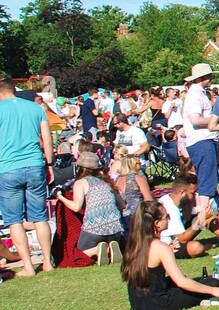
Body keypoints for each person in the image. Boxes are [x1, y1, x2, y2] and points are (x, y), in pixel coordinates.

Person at [121, 201, 219, 310]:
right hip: (157, 303)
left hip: (137, 302)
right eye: (166, 217)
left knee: (191, 282)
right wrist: (213, 290)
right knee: (212, 282)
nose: (169, 219)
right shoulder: (161, 247)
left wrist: (169, 249)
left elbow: (150, 267)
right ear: (157, 223)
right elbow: (181, 281)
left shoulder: (134, 244)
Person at [0, 76, 56, 275]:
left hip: (7, 168)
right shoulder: (35, 108)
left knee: (14, 220)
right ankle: (47, 262)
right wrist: (49, 163)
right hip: (34, 165)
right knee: (40, 216)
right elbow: (47, 138)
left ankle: (28, 266)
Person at [55, 151, 126, 263]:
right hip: (116, 229)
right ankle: (111, 247)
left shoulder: (81, 183)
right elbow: (122, 205)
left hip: (94, 230)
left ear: (79, 168)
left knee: (77, 253)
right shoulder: (107, 181)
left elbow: (76, 207)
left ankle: (99, 250)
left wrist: (61, 197)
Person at [181, 63, 219, 221]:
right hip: (201, 141)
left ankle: (211, 213)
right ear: (202, 78)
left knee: (208, 179)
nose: (211, 78)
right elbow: (195, 120)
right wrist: (216, 122)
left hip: (202, 141)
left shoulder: (199, 93)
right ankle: (202, 217)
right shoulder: (195, 95)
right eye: (209, 75)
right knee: (206, 181)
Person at [159, 171, 212, 258]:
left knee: (208, 216)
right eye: (193, 193)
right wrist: (199, 220)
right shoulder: (169, 208)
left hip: (177, 237)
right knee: (196, 247)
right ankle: (206, 246)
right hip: (168, 245)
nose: (195, 196)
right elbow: (182, 239)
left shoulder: (181, 202)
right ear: (182, 193)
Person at [113, 150, 151, 225]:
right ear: (132, 165)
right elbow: (149, 200)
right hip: (138, 216)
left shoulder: (117, 179)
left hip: (122, 219)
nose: (140, 164)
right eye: (138, 163)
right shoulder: (138, 178)